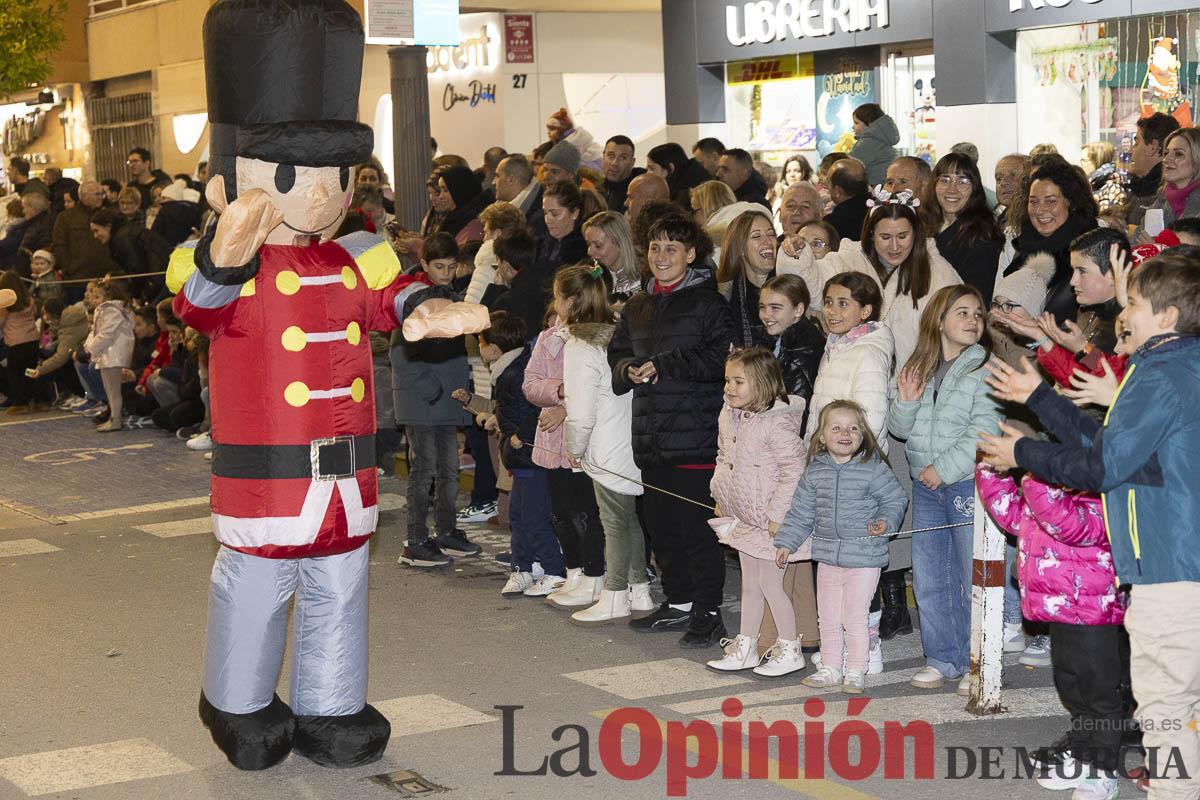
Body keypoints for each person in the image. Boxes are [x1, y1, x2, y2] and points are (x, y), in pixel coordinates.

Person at [980, 250, 1200, 800]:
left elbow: (1102, 467)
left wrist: (1024, 452)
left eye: (1136, 303)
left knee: (1166, 710)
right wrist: (1040, 399)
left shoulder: (1163, 374)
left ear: (1167, 317)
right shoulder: (1176, 369)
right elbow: (1113, 447)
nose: (1124, 314)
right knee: (1183, 706)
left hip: (1172, 569)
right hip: (1177, 563)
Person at [608, 211, 735, 647]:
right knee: (661, 527)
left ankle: (708, 612)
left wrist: (666, 364)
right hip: (651, 435)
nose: (661, 256)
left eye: (672, 248)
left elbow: (720, 359)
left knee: (696, 529)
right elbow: (617, 352)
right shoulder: (637, 305)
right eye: (655, 247)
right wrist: (627, 369)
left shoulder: (708, 303)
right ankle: (679, 601)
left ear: (691, 254)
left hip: (695, 434)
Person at [976, 464, 1132, 799]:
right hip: (1059, 610)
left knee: (1100, 695)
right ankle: (1083, 757)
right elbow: (1013, 516)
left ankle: (1103, 772)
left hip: (1092, 610)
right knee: (1073, 689)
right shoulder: (1048, 490)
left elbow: (1068, 524)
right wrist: (990, 468)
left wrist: (1033, 475)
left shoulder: (1098, 489)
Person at [889, 285, 1002, 690]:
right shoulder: (918, 365)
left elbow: (985, 430)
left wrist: (944, 468)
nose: (973, 320)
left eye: (978, 314)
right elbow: (899, 429)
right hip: (927, 486)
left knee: (971, 576)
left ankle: (979, 661)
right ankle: (942, 657)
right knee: (930, 574)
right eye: (963, 313)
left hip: (965, 484)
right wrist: (905, 401)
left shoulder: (985, 368)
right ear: (938, 320)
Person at [775, 400, 907, 693]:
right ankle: (831, 667)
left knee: (854, 616)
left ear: (863, 435)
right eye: (836, 428)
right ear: (822, 436)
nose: (845, 433)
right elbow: (801, 512)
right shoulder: (815, 471)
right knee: (828, 616)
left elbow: (895, 499)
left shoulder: (872, 468)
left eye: (853, 428)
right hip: (828, 557)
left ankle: (856, 669)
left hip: (864, 557)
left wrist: (885, 522)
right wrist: (786, 542)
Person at [560, 264, 654, 624]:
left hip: (605, 444)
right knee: (628, 517)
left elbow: (580, 412)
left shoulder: (579, 345)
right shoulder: (616, 333)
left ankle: (614, 594)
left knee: (613, 520)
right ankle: (639, 588)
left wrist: (575, 449)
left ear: (570, 302)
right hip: (630, 439)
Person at [706, 348, 808, 676]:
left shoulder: (776, 424)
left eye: (739, 382)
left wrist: (778, 515)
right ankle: (746, 646)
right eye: (727, 381)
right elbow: (725, 458)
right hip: (746, 518)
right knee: (749, 584)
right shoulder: (730, 415)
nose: (730, 388)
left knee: (771, 585)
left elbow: (794, 471)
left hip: (773, 523)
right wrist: (722, 497)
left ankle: (790, 648)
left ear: (763, 383)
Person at [392, 233, 481, 568]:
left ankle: (446, 530)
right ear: (425, 264)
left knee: (449, 470)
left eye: (451, 266)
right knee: (424, 470)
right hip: (423, 400)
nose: (446, 273)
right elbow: (400, 355)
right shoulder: (412, 297)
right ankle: (415, 540)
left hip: (446, 398)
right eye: (439, 266)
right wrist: (435, 390)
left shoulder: (450, 296)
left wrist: (458, 390)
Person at [523, 272, 608, 606]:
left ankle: (594, 574)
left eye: (557, 296)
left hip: (584, 441)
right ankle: (573, 571)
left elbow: (601, 390)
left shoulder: (598, 338)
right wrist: (558, 391)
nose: (553, 302)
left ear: (570, 301)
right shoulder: (548, 339)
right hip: (551, 442)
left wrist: (565, 406)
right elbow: (530, 384)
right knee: (559, 512)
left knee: (585, 512)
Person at [482, 311, 567, 597]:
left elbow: (537, 405)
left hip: (531, 454)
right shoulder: (508, 369)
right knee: (518, 515)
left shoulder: (517, 371)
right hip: (519, 456)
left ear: (493, 348)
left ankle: (554, 570)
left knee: (534, 516)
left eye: (480, 342)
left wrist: (521, 435)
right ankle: (523, 567)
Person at [1003, 157, 1099, 324]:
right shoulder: (1025, 244)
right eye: (1033, 201)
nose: (1040, 210)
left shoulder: (1090, 250)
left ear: (1070, 202)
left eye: (1051, 201)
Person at [923, 152, 1004, 304]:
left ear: (974, 188)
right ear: (934, 185)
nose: (952, 189)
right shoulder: (924, 226)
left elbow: (975, 296)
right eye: (944, 180)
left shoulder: (983, 235)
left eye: (962, 181)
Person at [716, 208, 776, 347]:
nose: (768, 241)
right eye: (757, 236)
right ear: (740, 249)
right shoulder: (724, 296)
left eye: (771, 234)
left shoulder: (789, 285)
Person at [82, 276, 135, 432]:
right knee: (109, 389)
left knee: (113, 390)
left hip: (113, 354)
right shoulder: (105, 310)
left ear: (109, 296)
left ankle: (116, 420)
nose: (94, 301)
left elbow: (106, 334)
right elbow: (95, 331)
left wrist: (91, 347)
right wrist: (89, 345)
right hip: (107, 353)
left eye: (97, 297)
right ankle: (113, 417)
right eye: (93, 297)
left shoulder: (112, 310)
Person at [51, 180, 117, 298]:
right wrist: (68, 268)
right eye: (97, 194)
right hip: (76, 279)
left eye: (101, 194)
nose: (101, 197)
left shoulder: (108, 215)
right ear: (84, 196)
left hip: (104, 277)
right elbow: (59, 244)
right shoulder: (66, 218)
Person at [1137, 127, 1200, 241]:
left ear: (1197, 160)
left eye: (1178, 154)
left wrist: (1160, 250)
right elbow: (1135, 243)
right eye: (1166, 153)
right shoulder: (1160, 202)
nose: (1166, 159)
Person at [0, 270, 45, 413]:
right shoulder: (29, 300)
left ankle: (20, 403)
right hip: (32, 341)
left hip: (16, 344)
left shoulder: (5, 305)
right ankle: (39, 400)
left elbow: (1, 322)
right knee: (30, 372)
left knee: (14, 374)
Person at [30, 296, 88, 403]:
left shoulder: (69, 327)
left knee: (61, 364)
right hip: (82, 352)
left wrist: (39, 370)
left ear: (53, 316)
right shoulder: (70, 318)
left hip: (83, 356)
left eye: (48, 318)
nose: (48, 321)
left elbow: (61, 357)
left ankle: (79, 394)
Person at [1125, 112, 1179, 227]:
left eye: (1136, 143)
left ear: (1153, 147)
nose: (1130, 151)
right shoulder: (1137, 188)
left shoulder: (1168, 196)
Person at [583, 211, 642, 302]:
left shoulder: (647, 279)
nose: (589, 252)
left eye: (598, 245)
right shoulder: (591, 276)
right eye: (588, 245)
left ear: (620, 242)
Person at [424, 165, 486, 245]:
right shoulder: (454, 219)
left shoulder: (473, 225)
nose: (441, 196)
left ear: (459, 190)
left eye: (445, 190)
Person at [494, 154, 546, 238]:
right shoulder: (500, 209)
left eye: (497, 176)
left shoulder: (539, 217)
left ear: (511, 180)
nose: (493, 182)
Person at [647, 142, 712, 209]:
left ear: (670, 168)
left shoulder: (687, 196)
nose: (647, 173)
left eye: (652, 168)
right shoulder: (681, 185)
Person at [848, 103, 899, 187]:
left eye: (856, 123)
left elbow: (848, 166)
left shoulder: (868, 143)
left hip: (874, 188)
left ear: (870, 123)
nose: (853, 127)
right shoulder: (881, 140)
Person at [823, 158, 870, 243]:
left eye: (828, 182)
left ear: (838, 191)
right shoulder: (879, 209)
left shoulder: (832, 224)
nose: (826, 187)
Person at [600, 135, 644, 214]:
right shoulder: (596, 189)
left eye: (623, 158)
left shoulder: (642, 188)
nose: (614, 163)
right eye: (611, 156)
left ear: (632, 162)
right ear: (603, 157)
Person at [15, 190, 53, 278]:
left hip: (31, 274)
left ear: (33, 209)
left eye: (24, 207)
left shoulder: (42, 226)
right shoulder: (35, 223)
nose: (23, 211)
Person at [993, 153, 1029, 221]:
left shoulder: (1037, 220)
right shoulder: (996, 217)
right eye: (999, 178)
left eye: (1013, 176)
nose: (1003, 183)